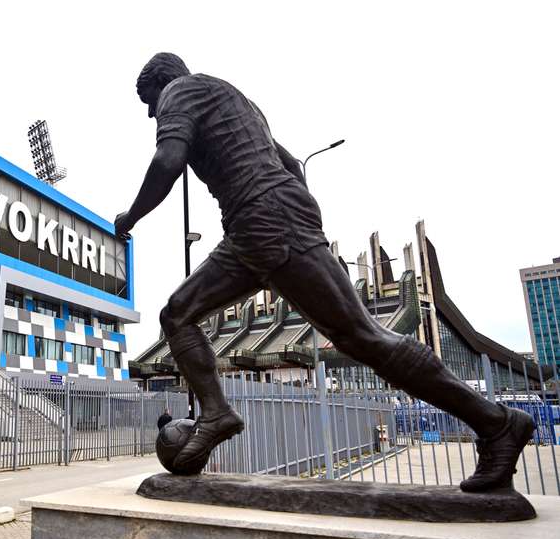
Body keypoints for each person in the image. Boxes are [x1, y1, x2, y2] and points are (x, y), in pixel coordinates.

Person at [114, 52, 534, 491]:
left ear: (162, 82)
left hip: (265, 221)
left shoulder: (181, 90)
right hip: (254, 229)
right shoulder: (238, 102)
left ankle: (497, 423)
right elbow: (292, 166)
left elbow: (167, 160)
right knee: (177, 313)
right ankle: (217, 413)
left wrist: (132, 217)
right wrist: (298, 215)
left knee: (363, 337)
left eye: (148, 100)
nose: (150, 111)